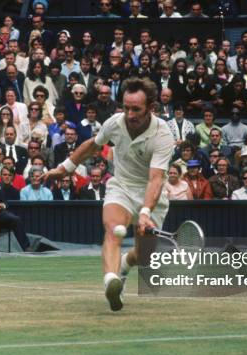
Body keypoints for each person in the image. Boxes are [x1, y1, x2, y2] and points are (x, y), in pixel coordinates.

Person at [43, 78, 173, 312]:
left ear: (151, 108)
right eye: (126, 107)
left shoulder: (163, 135)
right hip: (121, 186)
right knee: (113, 230)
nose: (129, 114)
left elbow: (156, 179)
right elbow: (93, 145)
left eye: (136, 109)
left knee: (144, 257)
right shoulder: (115, 122)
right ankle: (111, 280)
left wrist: (145, 212)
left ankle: (124, 265)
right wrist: (64, 168)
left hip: (150, 193)